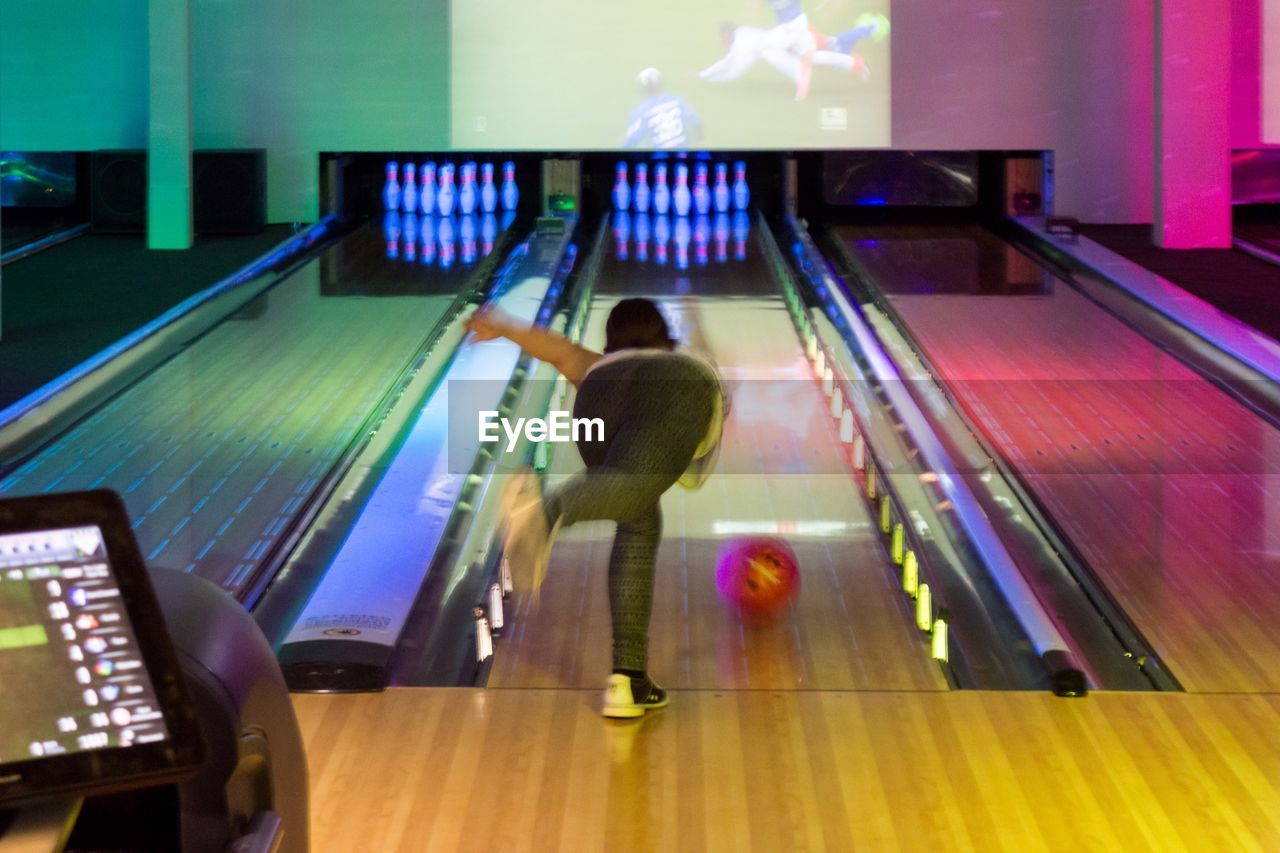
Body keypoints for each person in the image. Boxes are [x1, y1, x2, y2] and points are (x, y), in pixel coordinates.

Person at [465, 298, 726, 718]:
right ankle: (549, 511)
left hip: (598, 397)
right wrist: (694, 318)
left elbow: (558, 350)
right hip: (677, 389)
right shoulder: (686, 361)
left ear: (612, 341)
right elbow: (703, 352)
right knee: (632, 492)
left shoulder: (599, 364)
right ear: (664, 334)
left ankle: (629, 679)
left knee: (638, 517)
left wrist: (502, 326)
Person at [624, 68, 704, 149]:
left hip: (660, 158)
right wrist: (698, 143)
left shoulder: (640, 111)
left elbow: (631, 140)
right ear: (661, 85)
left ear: (642, 89)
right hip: (682, 154)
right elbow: (696, 121)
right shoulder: (677, 101)